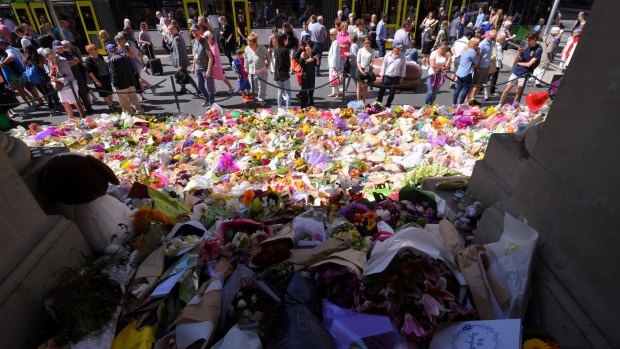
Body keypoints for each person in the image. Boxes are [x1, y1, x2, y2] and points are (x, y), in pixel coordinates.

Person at [499, 31, 542, 106]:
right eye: (527, 40)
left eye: (529, 40)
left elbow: (529, 64)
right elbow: (515, 61)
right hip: (517, 70)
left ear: (534, 39)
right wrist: (519, 52)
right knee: (507, 89)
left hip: (525, 73)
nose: (528, 42)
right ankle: (499, 104)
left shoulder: (538, 49)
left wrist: (520, 63)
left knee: (518, 92)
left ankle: (513, 107)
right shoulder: (525, 46)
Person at [54, 40, 94, 114]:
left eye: (61, 47)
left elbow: (77, 60)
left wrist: (68, 64)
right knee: (74, 97)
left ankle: (89, 108)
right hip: (68, 79)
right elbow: (62, 67)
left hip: (77, 76)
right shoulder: (55, 57)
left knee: (83, 93)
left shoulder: (67, 52)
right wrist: (70, 63)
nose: (61, 49)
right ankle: (81, 112)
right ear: (55, 48)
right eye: (58, 48)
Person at [42, 48, 84, 118]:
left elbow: (69, 76)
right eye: (48, 59)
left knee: (75, 103)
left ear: (54, 54)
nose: (51, 60)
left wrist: (57, 79)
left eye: (52, 58)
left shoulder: (62, 61)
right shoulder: (50, 61)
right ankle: (71, 118)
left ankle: (83, 118)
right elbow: (52, 71)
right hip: (60, 87)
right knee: (64, 103)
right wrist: (51, 75)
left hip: (70, 85)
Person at [106, 44, 143, 115]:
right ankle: (140, 112)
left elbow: (113, 73)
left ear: (109, 51)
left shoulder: (112, 60)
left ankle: (131, 115)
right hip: (130, 82)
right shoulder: (125, 57)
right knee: (134, 99)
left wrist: (114, 84)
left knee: (124, 101)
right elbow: (132, 69)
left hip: (120, 85)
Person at [24, 45, 61, 113]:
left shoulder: (28, 59)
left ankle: (52, 108)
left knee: (44, 94)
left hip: (35, 80)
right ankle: (53, 107)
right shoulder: (38, 57)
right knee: (49, 92)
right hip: (43, 77)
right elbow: (44, 65)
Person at [83, 44, 115, 113]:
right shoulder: (88, 60)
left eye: (96, 48)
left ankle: (111, 104)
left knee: (109, 91)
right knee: (104, 93)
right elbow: (90, 72)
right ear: (90, 51)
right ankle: (110, 105)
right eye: (95, 49)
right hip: (98, 79)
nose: (97, 49)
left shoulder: (100, 56)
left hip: (106, 76)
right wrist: (96, 81)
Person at [169, 24, 198, 96]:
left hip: (182, 61)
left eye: (171, 29)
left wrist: (180, 63)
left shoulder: (177, 38)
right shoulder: (176, 37)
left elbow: (179, 52)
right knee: (183, 75)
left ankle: (198, 89)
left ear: (176, 29)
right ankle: (183, 89)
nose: (170, 31)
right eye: (169, 29)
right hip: (183, 60)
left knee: (186, 76)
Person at [190, 24, 215, 107]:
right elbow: (195, 55)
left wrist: (209, 70)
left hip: (205, 67)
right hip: (198, 67)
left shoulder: (204, 41)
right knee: (199, 85)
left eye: (195, 30)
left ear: (199, 31)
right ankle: (207, 99)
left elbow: (210, 57)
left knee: (209, 86)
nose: (193, 32)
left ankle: (212, 102)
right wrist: (193, 66)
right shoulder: (193, 41)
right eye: (192, 30)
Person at [467, 29, 495, 103]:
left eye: (494, 38)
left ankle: (473, 98)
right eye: (492, 38)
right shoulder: (482, 44)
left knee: (480, 85)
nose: (493, 39)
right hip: (480, 67)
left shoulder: (491, 43)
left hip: (486, 67)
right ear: (488, 35)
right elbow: (478, 56)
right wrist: (478, 67)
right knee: (475, 84)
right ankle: (468, 99)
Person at [377, 39, 406, 108]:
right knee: (381, 92)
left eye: (400, 48)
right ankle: (378, 104)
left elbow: (403, 67)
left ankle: (388, 105)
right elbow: (384, 66)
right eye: (398, 47)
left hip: (395, 78)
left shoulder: (402, 56)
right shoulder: (387, 55)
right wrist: (382, 75)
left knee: (392, 93)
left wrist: (402, 77)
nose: (399, 49)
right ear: (393, 47)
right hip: (387, 76)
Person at [244, 32, 270, 107]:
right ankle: (261, 94)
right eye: (248, 44)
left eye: (251, 44)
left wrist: (268, 63)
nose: (250, 46)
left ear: (255, 43)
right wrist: (246, 66)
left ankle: (261, 99)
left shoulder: (262, 48)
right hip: (251, 72)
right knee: (253, 87)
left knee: (262, 86)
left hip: (261, 70)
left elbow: (268, 56)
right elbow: (245, 58)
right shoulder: (247, 49)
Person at [453, 37, 480, 105]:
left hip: (460, 72)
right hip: (467, 73)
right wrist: (478, 53)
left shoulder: (465, 49)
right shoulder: (472, 51)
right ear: (474, 44)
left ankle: (454, 104)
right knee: (465, 89)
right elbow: (476, 62)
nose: (478, 45)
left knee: (458, 88)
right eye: (477, 44)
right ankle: (461, 104)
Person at [296, 40, 318, 108]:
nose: (306, 47)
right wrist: (306, 61)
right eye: (306, 46)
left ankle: (311, 104)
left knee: (311, 91)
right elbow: (301, 64)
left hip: (312, 74)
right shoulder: (303, 54)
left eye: (308, 46)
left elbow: (316, 65)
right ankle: (303, 106)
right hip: (305, 75)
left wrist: (317, 60)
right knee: (304, 91)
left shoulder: (314, 53)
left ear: (311, 47)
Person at [273, 34, 291, 109]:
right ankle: (287, 107)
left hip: (278, 73)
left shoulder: (276, 50)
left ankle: (279, 107)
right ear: (284, 40)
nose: (287, 41)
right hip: (285, 73)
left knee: (279, 91)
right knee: (288, 92)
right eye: (286, 39)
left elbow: (276, 63)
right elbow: (288, 63)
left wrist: (275, 75)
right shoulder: (286, 50)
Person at [487, 32, 506, 97]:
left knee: (489, 76)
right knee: (494, 77)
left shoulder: (495, 43)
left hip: (495, 61)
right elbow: (498, 55)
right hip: (496, 62)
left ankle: (481, 88)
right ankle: (492, 91)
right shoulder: (497, 45)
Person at [356, 36, 374, 103]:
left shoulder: (372, 50)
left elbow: (372, 61)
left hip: (367, 70)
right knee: (359, 87)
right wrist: (361, 71)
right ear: (363, 43)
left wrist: (369, 67)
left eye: (368, 43)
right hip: (360, 69)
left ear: (370, 43)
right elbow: (358, 62)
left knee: (365, 88)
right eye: (365, 43)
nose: (367, 45)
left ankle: (363, 103)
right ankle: (358, 103)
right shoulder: (360, 50)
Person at [327, 28, 342, 98]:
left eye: (332, 34)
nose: (330, 35)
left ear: (335, 35)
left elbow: (335, 54)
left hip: (333, 64)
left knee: (334, 78)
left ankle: (338, 92)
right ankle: (333, 92)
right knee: (331, 78)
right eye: (330, 34)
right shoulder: (333, 42)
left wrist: (334, 65)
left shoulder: (335, 42)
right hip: (331, 64)